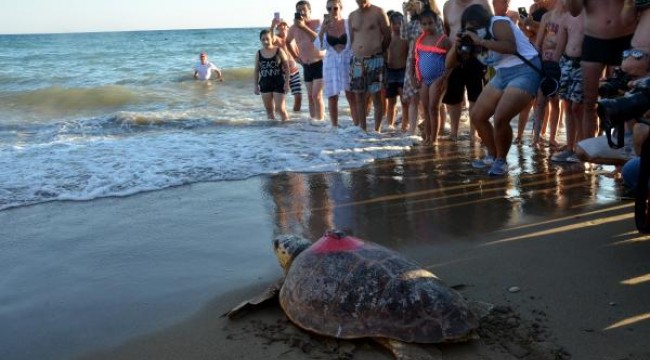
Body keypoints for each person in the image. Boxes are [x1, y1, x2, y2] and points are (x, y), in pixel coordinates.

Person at [448, 4, 542, 175]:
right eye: (469, 27)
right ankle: (492, 155)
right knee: (477, 116)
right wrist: (458, 45)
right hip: (502, 73)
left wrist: (481, 41)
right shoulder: (471, 38)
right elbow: (449, 64)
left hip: (525, 69)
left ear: (483, 21)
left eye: (475, 26)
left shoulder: (497, 22)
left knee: (501, 117)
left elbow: (510, 47)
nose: (473, 30)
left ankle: (501, 160)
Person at [567, 0, 637, 141]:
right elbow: (574, 11)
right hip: (594, 41)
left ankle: (627, 152)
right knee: (589, 102)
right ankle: (587, 153)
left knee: (625, 100)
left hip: (625, 38)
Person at [442, 0, 492, 141]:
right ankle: (453, 133)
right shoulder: (447, 5)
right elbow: (447, 30)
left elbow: (491, 26)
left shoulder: (482, 3)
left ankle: (473, 133)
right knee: (453, 97)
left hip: (478, 54)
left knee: (475, 95)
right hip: (455, 54)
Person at [348, 0, 391, 132]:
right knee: (359, 97)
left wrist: (379, 51)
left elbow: (388, 35)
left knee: (376, 96)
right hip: (357, 60)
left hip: (375, 58)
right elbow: (352, 38)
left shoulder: (378, 12)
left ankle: (377, 130)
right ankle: (363, 129)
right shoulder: (352, 16)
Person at [550, 0, 584, 162]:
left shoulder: (590, 15)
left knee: (580, 107)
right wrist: (553, 69)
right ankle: (570, 147)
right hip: (566, 63)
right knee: (568, 106)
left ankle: (581, 148)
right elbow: (560, 46)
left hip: (584, 64)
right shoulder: (566, 18)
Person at [316, 0, 357, 127]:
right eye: (329, 9)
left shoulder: (348, 23)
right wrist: (322, 30)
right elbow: (320, 47)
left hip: (347, 60)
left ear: (340, 8)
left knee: (351, 95)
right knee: (332, 96)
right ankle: (334, 127)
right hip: (331, 62)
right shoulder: (324, 25)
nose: (332, 11)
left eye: (335, 8)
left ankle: (357, 126)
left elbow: (355, 41)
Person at [413, 10, 451, 144]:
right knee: (425, 108)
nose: (427, 26)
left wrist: (445, 77)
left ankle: (434, 139)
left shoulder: (443, 39)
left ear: (436, 22)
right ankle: (427, 137)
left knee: (433, 108)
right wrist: (415, 77)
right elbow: (415, 59)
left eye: (430, 23)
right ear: (420, 25)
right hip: (423, 80)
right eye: (424, 24)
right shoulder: (420, 40)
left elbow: (452, 60)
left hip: (438, 79)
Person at [286, 0, 326, 120]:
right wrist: (296, 57)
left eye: (304, 10)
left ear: (309, 11)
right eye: (299, 10)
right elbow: (287, 42)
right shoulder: (293, 28)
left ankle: (321, 121)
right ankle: (313, 121)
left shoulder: (317, 23)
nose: (301, 12)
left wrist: (303, 27)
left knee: (316, 95)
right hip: (306, 65)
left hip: (320, 63)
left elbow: (318, 39)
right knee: (310, 96)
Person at [532, 0, 562, 148]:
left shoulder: (567, 16)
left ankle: (552, 137)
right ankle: (536, 137)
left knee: (556, 101)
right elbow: (538, 42)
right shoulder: (546, 17)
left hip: (560, 63)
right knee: (540, 100)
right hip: (544, 62)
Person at [254, 29, 291, 121]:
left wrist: (287, 83)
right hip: (264, 83)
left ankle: (287, 129)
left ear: (272, 39)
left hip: (278, 83)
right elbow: (256, 70)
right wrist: (255, 85)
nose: (265, 41)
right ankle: (273, 133)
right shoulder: (259, 53)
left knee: (280, 109)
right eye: (263, 39)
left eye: (267, 39)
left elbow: (287, 68)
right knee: (269, 111)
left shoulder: (279, 51)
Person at [272, 18, 303, 112]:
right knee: (281, 99)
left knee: (298, 96)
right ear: (277, 27)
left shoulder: (292, 39)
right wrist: (272, 25)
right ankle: (282, 118)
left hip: (294, 71)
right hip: (281, 73)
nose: (283, 27)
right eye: (280, 25)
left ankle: (295, 118)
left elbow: (298, 53)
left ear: (288, 27)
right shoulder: (276, 39)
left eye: (284, 25)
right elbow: (270, 37)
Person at [386, 12, 410, 131]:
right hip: (390, 71)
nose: (397, 26)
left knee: (404, 100)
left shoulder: (405, 37)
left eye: (400, 23)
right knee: (391, 101)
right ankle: (390, 125)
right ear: (389, 24)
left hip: (402, 71)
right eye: (394, 23)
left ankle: (405, 126)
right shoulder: (388, 37)